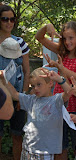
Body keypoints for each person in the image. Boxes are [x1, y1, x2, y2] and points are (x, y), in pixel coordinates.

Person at [35, 21, 76, 159]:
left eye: (71, 38)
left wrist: (61, 67)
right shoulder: (61, 50)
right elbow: (39, 37)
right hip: (58, 104)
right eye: (65, 38)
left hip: (75, 106)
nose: (68, 42)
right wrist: (46, 27)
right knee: (59, 146)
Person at [0, 67, 71, 159]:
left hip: (45, 151)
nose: (35, 88)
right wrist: (3, 79)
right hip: (27, 148)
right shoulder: (31, 100)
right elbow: (14, 94)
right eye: (33, 86)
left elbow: (69, 92)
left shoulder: (56, 101)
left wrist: (59, 79)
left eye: (39, 84)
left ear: (50, 83)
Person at [0, 4, 30, 160]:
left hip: (18, 96)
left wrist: (23, 96)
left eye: (12, 19)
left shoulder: (20, 43)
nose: (9, 22)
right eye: (5, 18)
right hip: (0, 96)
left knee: (17, 135)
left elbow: (26, 70)